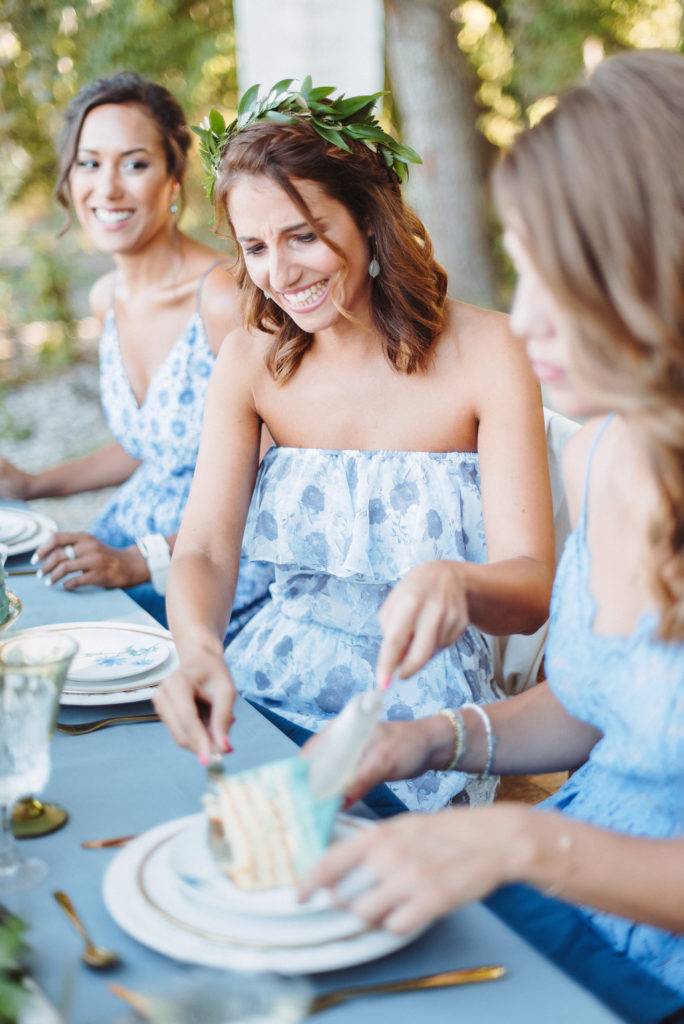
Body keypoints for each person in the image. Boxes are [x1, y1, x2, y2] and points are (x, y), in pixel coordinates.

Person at [300, 50, 684, 995]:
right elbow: (602, 709)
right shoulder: (604, 451)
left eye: (569, 276)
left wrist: (514, 841)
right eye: (524, 270)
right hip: (567, 890)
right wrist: (432, 737)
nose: (527, 319)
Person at [153, 79, 554, 811]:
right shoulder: (249, 360)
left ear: (370, 218)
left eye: (304, 235)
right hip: (269, 681)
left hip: (417, 718)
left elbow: (530, 588)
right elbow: (205, 548)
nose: (280, 274)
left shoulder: (491, 352)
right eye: (256, 247)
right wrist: (201, 651)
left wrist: (459, 584)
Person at [0, 72, 272, 628]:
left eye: (135, 164)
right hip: (121, 544)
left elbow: (274, 476)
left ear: (173, 178)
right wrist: (32, 483)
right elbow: (153, 446)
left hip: (215, 576)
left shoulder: (223, 298)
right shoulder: (107, 299)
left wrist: (140, 560)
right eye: (89, 163)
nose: (107, 189)